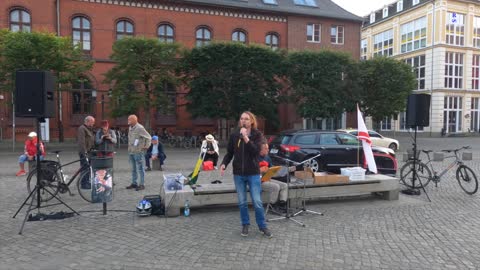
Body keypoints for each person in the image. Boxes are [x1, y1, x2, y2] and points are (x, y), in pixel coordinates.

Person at [220, 111, 272, 238]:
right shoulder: (234, 135)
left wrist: (246, 138)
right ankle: (245, 224)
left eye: (246, 119)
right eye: (242, 118)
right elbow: (230, 153)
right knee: (242, 202)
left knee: (257, 201)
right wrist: (224, 164)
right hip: (238, 173)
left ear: (252, 121)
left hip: (253, 173)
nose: (243, 121)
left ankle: (262, 226)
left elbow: (256, 152)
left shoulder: (257, 135)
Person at [259, 143, 288, 212]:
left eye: (268, 148)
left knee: (284, 185)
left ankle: (282, 204)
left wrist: (278, 170)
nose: (268, 150)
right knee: (276, 187)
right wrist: (260, 170)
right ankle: (272, 206)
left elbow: (272, 169)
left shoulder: (267, 157)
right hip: (258, 181)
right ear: (260, 150)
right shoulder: (255, 158)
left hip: (267, 179)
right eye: (266, 149)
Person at [126, 114, 151, 191]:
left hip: (138, 152)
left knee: (140, 168)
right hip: (131, 151)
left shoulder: (140, 128)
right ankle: (134, 183)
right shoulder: (130, 127)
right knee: (133, 169)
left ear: (134, 120)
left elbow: (149, 137)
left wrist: (146, 146)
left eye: (129, 119)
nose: (128, 121)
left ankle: (142, 184)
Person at [78, 116, 95, 187]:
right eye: (92, 122)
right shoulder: (82, 128)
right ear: (88, 121)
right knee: (85, 167)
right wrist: (84, 153)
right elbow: (82, 142)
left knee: (88, 168)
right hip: (85, 153)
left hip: (89, 152)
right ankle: (84, 184)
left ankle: (87, 182)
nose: (93, 124)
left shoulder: (89, 129)